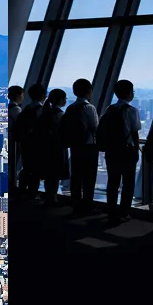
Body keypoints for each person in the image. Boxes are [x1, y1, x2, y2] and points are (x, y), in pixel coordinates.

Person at [97, 79, 142, 223]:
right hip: (127, 151)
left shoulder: (110, 109)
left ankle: (111, 211)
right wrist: (136, 150)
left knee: (113, 182)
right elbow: (135, 133)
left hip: (112, 151)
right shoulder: (132, 111)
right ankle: (124, 212)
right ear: (129, 93)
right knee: (128, 183)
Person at [64, 79, 101, 213]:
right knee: (89, 177)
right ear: (89, 91)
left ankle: (76, 203)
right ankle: (87, 204)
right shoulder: (89, 108)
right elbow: (95, 127)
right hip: (89, 146)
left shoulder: (70, 107)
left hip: (75, 146)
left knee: (76, 175)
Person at [36, 88, 69, 205]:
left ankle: (49, 197)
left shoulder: (45, 114)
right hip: (57, 148)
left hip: (45, 148)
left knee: (49, 174)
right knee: (55, 175)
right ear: (60, 100)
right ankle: (52, 198)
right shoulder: (61, 115)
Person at [13, 84, 47, 195]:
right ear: (43, 96)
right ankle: (32, 192)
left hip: (25, 143)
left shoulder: (26, 110)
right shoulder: (41, 111)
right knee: (36, 169)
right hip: (38, 144)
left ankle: (22, 190)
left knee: (27, 167)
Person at [7, 86, 24, 193]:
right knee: (14, 164)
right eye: (22, 94)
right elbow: (21, 124)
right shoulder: (16, 109)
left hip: (10, 139)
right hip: (14, 141)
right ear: (18, 95)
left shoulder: (9, 107)